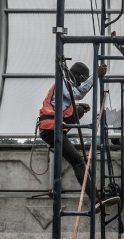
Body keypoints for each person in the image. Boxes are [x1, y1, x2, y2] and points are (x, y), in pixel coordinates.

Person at [38, 62, 107, 199]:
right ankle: (95, 199)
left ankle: (94, 194)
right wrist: (95, 76)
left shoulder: (64, 83)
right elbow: (77, 94)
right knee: (78, 163)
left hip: (55, 126)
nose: (82, 84)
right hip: (51, 128)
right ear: (80, 76)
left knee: (80, 110)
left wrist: (80, 108)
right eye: (83, 80)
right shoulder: (63, 81)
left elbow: (74, 98)